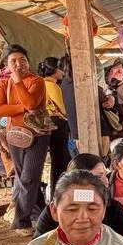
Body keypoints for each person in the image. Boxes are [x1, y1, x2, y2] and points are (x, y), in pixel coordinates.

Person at [0, 44, 49, 233]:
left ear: (29, 62)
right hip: (14, 136)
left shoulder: (37, 81)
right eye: (13, 61)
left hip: (37, 135)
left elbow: (32, 102)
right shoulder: (2, 84)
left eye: (22, 60)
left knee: (28, 177)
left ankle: (21, 221)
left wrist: (17, 82)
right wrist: (23, 108)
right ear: (6, 65)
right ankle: (42, 214)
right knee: (25, 177)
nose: (18, 64)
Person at [35, 153, 123, 240]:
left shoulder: (115, 209)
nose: (82, 218)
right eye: (72, 210)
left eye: (92, 209)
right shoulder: (54, 210)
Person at [38, 57, 71, 193]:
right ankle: (59, 191)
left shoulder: (41, 84)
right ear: (55, 70)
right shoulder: (52, 86)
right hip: (57, 123)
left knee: (56, 159)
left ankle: (55, 192)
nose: (62, 72)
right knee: (61, 159)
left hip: (47, 122)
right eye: (60, 68)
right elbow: (62, 109)